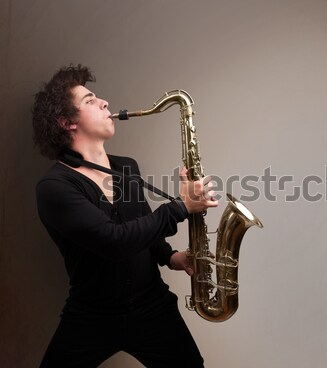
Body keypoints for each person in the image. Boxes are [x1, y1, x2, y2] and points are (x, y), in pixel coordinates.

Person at [32, 64, 217, 368]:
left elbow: (141, 227)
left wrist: (172, 257)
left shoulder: (126, 167)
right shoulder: (54, 187)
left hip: (152, 307)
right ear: (67, 122)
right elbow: (113, 241)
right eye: (90, 101)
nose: (104, 102)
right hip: (92, 316)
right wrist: (181, 207)